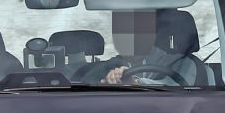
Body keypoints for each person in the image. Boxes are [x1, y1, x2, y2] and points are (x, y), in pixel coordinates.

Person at [76, 9, 212, 86]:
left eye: (139, 26)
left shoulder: (187, 65)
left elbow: (173, 88)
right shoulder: (102, 68)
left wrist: (134, 82)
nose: (127, 33)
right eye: (121, 27)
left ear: (153, 31)